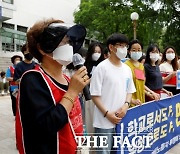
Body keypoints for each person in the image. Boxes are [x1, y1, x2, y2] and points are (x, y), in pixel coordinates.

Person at [15, 19, 89, 154]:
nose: (68, 46)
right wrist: (72, 92)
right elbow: (46, 126)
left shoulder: (68, 79)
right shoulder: (33, 79)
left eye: (69, 42)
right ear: (42, 49)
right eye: (63, 42)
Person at [90, 33, 136, 153]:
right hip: (104, 122)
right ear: (111, 47)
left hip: (122, 120)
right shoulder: (102, 68)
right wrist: (107, 114)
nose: (124, 49)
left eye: (125, 46)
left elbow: (130, 91)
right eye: (120, 45)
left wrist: (126, 105)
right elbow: (95, 95)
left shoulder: (127, 69)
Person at [125, 40, 160, 107]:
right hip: (130, 103)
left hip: (140, 102)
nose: (136, 52)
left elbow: (141, 85)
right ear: (129, 51)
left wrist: (150, 93)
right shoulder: (126, 65)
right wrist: (131, 100)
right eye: (134, 50)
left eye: (139, 50)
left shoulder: (141, 66)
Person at [84, 42, 104, 135]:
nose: (97, 54)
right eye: (94, 51)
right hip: (89, 99)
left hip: (103, 98)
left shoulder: (104, 66)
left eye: (99, 52)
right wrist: (92, 78)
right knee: (91, 125)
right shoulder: (85, 67)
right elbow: (83, 83)